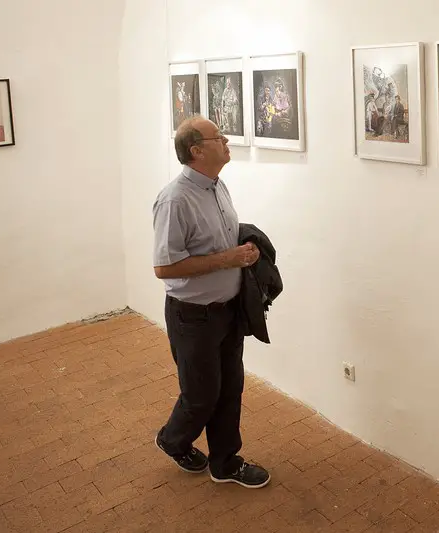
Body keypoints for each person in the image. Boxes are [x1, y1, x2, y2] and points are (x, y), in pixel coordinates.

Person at [151, 116, 271, 489]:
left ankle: (225, 462)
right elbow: (164, 267)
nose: (226, 140)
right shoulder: (174, 200)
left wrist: (246, 250)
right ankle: (173, 440)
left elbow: (222, 241)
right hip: (193, 316)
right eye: (218, 137)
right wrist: (226, 259)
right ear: (196, 150)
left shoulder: (218, 186)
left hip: (228, 309)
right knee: (201, 396)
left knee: (231, 388)